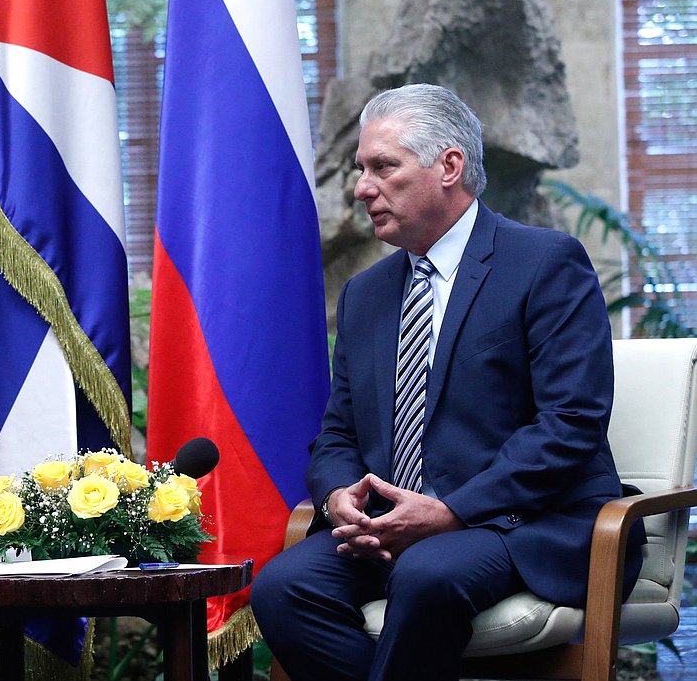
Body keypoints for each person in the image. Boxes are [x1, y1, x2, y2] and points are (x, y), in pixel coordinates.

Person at [251, 84, 643, 681]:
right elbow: (336, 434)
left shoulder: (544, 263)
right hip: (390, 528)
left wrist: (452, 511)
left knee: (428, 572)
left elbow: (571, 424)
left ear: (449, 166)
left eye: (384, 166)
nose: (362, 187)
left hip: (524, 522)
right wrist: (337, 497)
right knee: (281, 587)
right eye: (362, 169)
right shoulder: (367, 294)